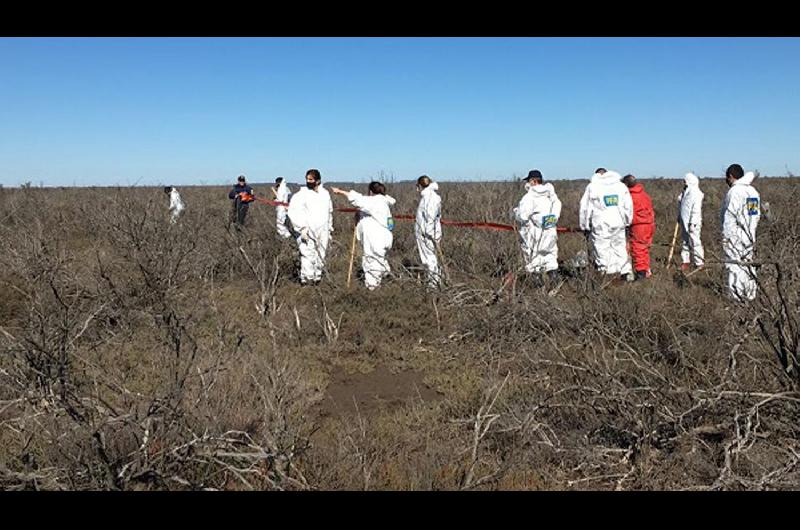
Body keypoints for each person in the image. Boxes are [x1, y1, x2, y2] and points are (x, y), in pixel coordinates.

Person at [331, 182, 396, 290]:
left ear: (371, 191)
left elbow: (357, 199)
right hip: (384, 236)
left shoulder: (375, 201)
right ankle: (384, 278)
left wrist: (340, 192)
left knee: (371, 261)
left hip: (375, 237)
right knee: (379, 259)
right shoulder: (383, 202)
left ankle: (373, 288)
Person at [579, 168, 634, 279]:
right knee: (619, 248)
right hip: (618, 222)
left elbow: (584, 208)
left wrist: (584, 225)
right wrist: (627, 222)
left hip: (600, 223)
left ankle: (606, 275)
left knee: (602, 248)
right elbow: (628, 206)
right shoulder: (621, 186)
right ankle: (625, 273)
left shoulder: (593, 187)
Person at [512, 169, 562, 284]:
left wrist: (515, 212)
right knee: (550, 258)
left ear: (533, 181)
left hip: (533, 235)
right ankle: (555, 284)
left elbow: (522, 216)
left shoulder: (529, 197)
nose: (527, 184)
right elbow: (555, 214)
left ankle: (537, 290)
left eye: (529, 181)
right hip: (550, 234)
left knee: (533, 260)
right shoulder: (551, 197)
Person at [721, 164, 760, 302]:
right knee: (748, 264)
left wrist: (727, 238)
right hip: (749, 235)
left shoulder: (734, 192)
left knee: (734, 266)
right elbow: (754, 215)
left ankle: (735, 297)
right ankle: (750, 294)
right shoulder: (753, 191)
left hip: (735, 236)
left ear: (731, 176)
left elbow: (730, 218)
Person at [287, 169, 334, 285]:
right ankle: (307, 280)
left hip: (322, 230)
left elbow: (329, 212)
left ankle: (317, 278)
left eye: (311, 179)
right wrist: (301, 227)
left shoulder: (325, 194)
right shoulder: (301, 195)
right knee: (308, 254)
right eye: (307, 179)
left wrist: (329, 228)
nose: (308, 181)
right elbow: (293, 212)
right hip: (307, 230)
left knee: (320, 253)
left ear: (318, 180)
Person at [622, 174, 655, 280]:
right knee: (644, 249)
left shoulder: (630, 197)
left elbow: (627, 213)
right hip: (649, 224)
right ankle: (646, 270)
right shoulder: (644, 194)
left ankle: (641, 274)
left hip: (639, 226)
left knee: (638, 249)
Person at [414, 175, 443, 288]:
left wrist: (430, 234)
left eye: (417, 186)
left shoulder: (430, 197)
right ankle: (433, 282)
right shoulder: (427, 196)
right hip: (425, 234)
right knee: (429, 259)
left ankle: (434, 285)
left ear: (420, 186)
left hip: (428, 235)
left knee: (430, 260)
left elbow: (430, 217)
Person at [678, 172, 705, 270]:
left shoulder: (696, 193)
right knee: (685, 242)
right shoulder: (686, 192)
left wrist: (692, 222)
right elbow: (682, 206)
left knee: (695, 242)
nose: (684, 183)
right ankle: (685, 261)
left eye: (685, 181)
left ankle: (699, 263)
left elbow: (696, 209)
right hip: (684, 221)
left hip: (693, 223)